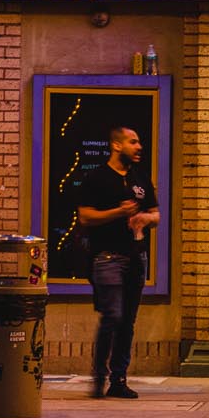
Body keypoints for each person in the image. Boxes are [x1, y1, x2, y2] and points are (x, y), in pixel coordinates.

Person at [75, 126, 160, 399]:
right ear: (116, 145)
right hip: (107, 258)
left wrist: (146, 219)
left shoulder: (140, 178)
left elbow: (156, 213)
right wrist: (118, 212)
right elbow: (85, 217)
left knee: (128, 321)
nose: (139, 147)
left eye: (139, 142)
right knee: (113, 316)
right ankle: (99, 375)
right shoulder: (97, 178)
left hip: (137, 257)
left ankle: (119, 379)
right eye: (133, 142)